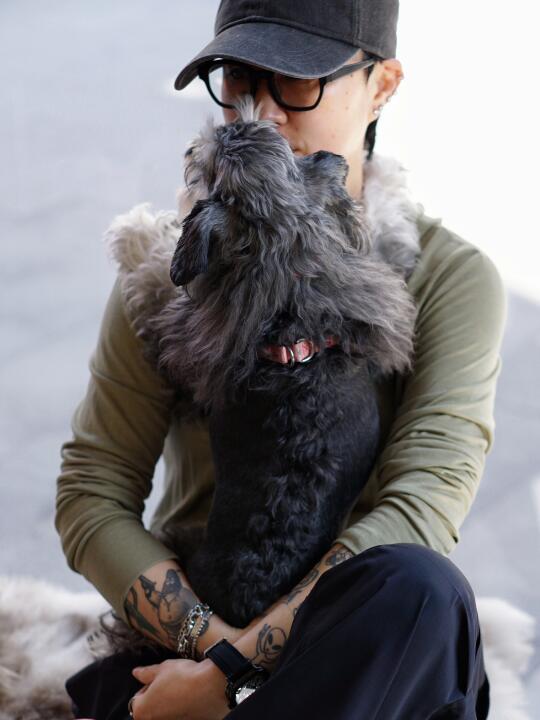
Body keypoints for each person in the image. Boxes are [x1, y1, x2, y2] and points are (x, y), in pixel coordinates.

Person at [56, 1, 506, 718]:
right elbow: (93, 490)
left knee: (424, 591)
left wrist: (236, 683)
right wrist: (214, 655)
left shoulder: (452, 278)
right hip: (178, 664)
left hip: (361, 658)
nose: (260, 112)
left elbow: (422, 502)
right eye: (238, 77)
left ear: (383, 86)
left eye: (297, 81)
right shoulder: (167, 260)